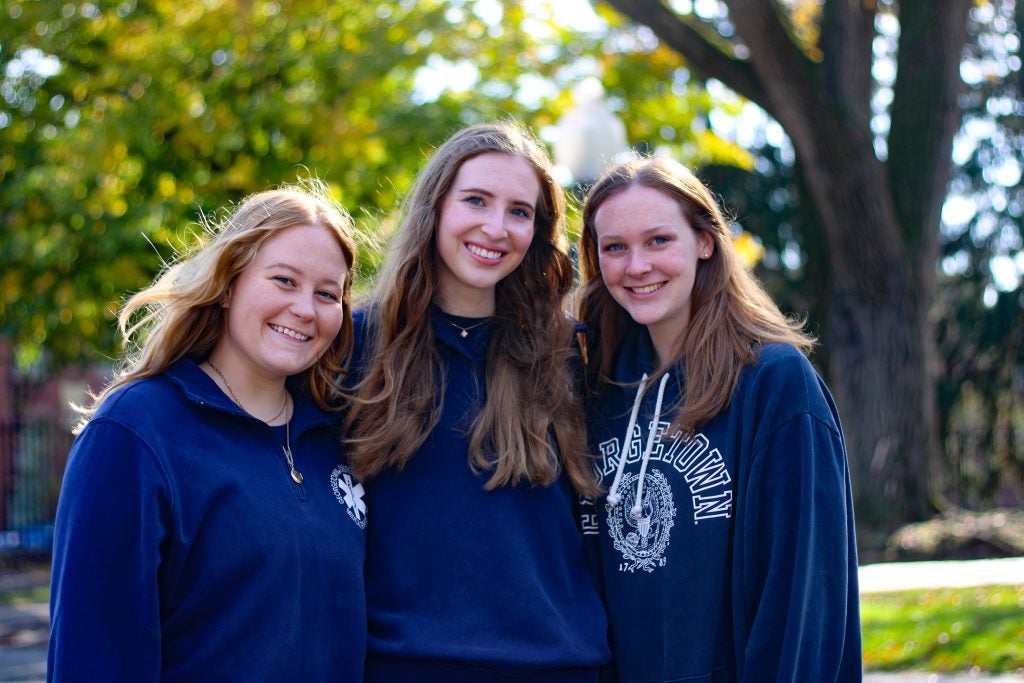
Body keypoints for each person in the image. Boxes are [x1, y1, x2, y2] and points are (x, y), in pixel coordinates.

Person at [47, 181, 367, 682]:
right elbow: (93, 655)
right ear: (226, 285)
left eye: (327, 294)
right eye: (284, 280)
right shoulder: (135, 431)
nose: (306, 308)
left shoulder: (338, 437)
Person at [576, 156, 862, 682]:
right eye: (614, 247)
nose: (636, 265)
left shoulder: (773, 383)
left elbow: (802, 597)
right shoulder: (598, 392)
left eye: (659, 240)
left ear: (705, 241)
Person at [343, 121, 610, 682]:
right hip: (403, 669)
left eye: (520, 211)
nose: (497, 227)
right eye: (476, 200)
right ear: (435, 206)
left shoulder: (569, 354)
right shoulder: (353, 346)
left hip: (559, 668)